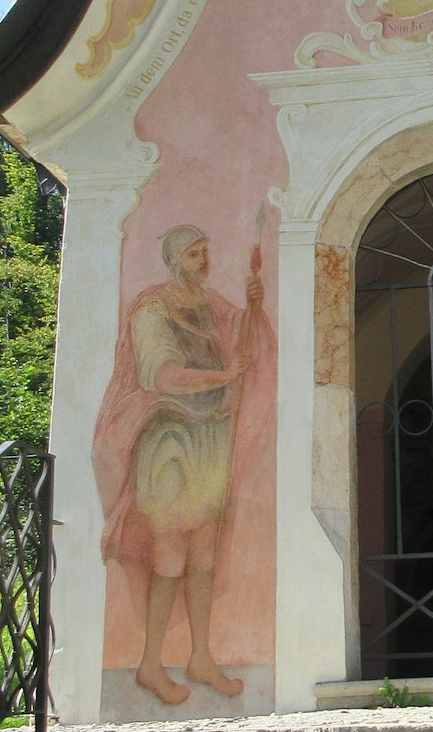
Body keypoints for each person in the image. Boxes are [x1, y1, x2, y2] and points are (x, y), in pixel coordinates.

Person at [93, 224, 275, 706]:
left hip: (210, 435)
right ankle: (151, 663)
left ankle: (200, 657)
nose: (204, 260)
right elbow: (161, 375)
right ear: (174, 261)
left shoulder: (208, 302)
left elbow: (241, 336)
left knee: (204, 557)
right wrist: (222, 375)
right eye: (195, 254)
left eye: (206, 251)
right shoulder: (153, 310)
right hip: (170, 439)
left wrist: (253, 304)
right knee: (170, 557)